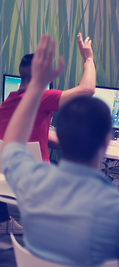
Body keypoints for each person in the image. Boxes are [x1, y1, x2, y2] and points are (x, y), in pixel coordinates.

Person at [1, 35, 119, 266]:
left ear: (59, 134)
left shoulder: (30, 183)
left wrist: (34, 87)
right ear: (106, 140)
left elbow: (11, 146)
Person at [0, 33, 96, 234]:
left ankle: (3, 221)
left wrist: (68, 144)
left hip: (6, 178)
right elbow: (87, 89)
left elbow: (30, 139)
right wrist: (88, 58)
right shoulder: (42, 97)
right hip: (36, 177)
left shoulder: (7, 103)